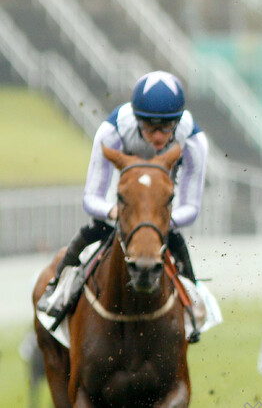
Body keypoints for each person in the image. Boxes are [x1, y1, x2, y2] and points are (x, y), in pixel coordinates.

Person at [37, 71, 209, 324]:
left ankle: (193, 298)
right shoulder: (112, 131)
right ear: (137, 119)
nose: (159, 136)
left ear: (178, 121)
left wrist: (157, 220)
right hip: (123, 195)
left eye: (166, 127)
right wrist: (115, 213)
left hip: (160, 203)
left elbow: (191, 206)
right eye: (150, 127)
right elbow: (92, 198)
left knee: (175, 240)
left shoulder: (194, 141)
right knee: (93, 230)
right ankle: (56, 289)